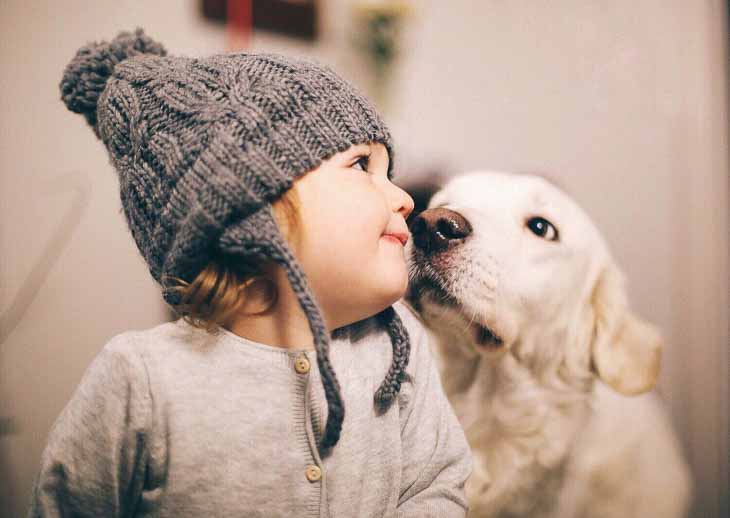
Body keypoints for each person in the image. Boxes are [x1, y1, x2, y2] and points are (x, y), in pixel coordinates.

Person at [26, 27, 472, 517]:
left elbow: (440, 483)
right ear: (249, 207)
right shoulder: (143, 379)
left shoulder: (397, 349)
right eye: (362, 165)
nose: (403, 198)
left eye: (389, 172)